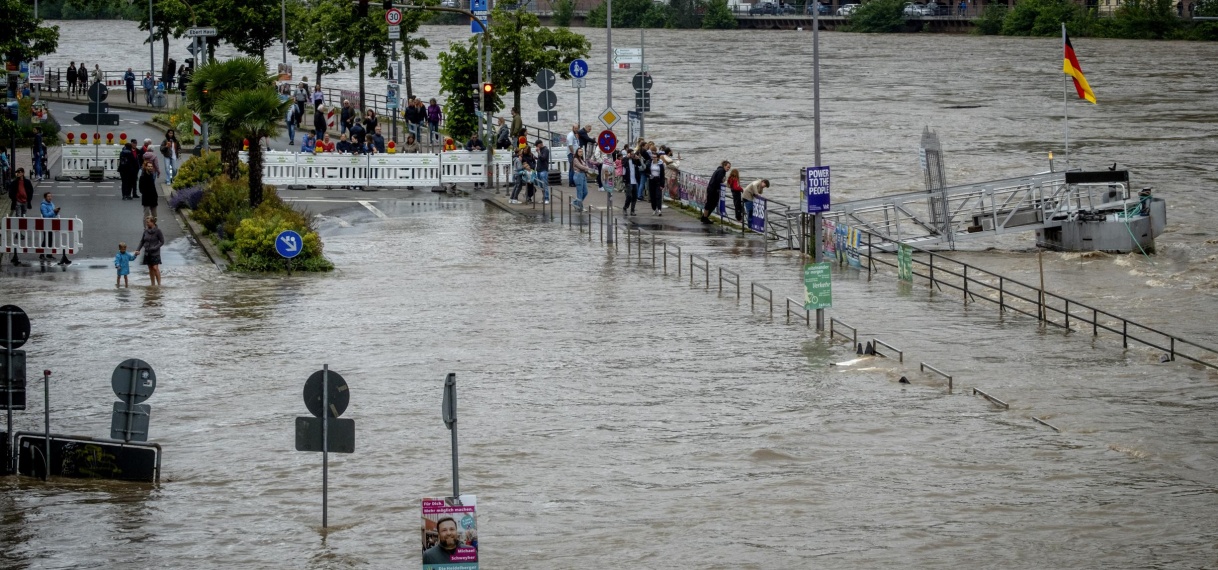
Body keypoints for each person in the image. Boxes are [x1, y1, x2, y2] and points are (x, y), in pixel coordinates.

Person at [134, 217, 164, 286]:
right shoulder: (145, 231)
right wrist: (138, 249)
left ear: (152, 222)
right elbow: (142, 241)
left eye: (148, 222)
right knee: (150, 268)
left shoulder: (158, 231)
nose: (147, 224)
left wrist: (155, 247)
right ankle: (152, 284)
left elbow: (162, 242)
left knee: (155, 268)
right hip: (147, 252)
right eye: (146, 222)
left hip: (155, 252)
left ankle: (159, 284)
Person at [39, 192, 66, 264]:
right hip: (46, 224)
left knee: (50, 239)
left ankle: (49, 254)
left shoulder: (52, 204)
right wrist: (53, 211)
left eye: (50, 196)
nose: (50, 197)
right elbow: (45, 215)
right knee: (46, 239)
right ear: (45, 197)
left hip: (51, 224)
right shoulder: (43, 206)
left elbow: (53, 214)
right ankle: (42, 253)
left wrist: (56, 212)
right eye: (48, 196)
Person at [703, 160, 730, 224]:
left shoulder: (720, 170)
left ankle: (705, 217)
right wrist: (723, 184)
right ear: (724, 166)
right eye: (727, 167)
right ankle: (705, 218)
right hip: (713, 190)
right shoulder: (721, 171)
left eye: (729, 168)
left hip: (712, 189)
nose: (728, 169)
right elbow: (718, 181)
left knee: (712, 204)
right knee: (710, 204)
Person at [571, 148, 594, 212]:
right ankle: (580, 208)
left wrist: (587, 170)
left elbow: (584, 167)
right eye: (579, 151)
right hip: (578, 175)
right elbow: (580, 166)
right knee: (580, 193)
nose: (581, 153)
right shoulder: (575, 159)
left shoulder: (581, 159)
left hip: (583, 175)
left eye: (581, 151)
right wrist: (587, 168)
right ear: (577, 152)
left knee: (585, 192)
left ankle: (575, 203)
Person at [648, 149, 665, 216]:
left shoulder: (660, 164)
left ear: (657, 158)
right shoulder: (649, 163)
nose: (654, 158)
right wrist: (649, 175)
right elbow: (647, 171)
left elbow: (662, 175)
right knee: (652, 196)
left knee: (658, 195)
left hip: (658, 180)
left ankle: (659, 209)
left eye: (655, 157)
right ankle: (654, 209)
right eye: (653, 157)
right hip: (652, 180)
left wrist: (662, 184)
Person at [533, 139, 551, 205]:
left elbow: (543, 158)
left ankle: (546, 198)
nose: (536, 147)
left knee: (544, 185)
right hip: (539, 169)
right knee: (541, 185)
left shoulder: (546, 150)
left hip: (544, 169)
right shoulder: (541, 150)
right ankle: (544, 198)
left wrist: (538, 152)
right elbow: (540, 158)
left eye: (537, 146)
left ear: (540, 144)